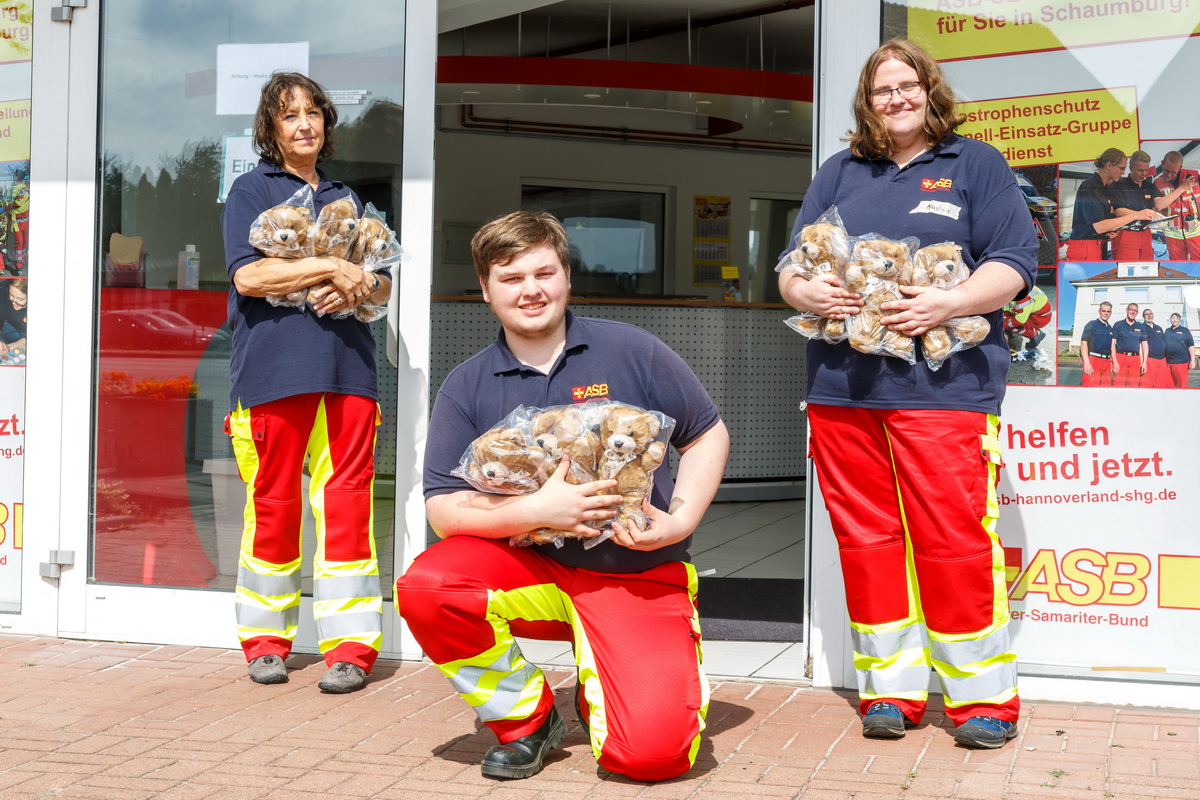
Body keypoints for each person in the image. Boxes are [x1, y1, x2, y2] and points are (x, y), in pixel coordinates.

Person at [395, 211, 730, 782]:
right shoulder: (468, 382)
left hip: (634, 572)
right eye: (510, 277)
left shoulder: (632, 350)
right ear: (485, 290)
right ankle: (526, 720)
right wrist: (536, 512)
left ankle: (614, 672)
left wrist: (679, 521)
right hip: (530, 570)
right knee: (429, 586)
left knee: (650, 758)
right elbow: (443, 508)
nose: (530, 290)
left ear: (567, 276)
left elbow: (706, 433)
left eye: (543, 272)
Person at [777, 39, 1034, 750]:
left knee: (952, 540)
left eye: (907, 85)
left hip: (945, 390)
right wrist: (808, 288)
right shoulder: (841, 170)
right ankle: (890, 689)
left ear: (929, 90)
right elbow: (790, 266)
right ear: (867, 99)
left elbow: (1014, 263)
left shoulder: (973, 163)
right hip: (843, 389)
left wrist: (945, 304)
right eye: (882, 89)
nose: (895, 99)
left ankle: (983, 700)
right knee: (866, 541)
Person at [220, 72, 393, 693]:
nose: (304, 124)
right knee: (274, 505)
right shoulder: (250, 190)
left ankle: (351, 648)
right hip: (272, 373)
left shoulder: (350, 197)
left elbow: (381, 285)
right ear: (271, 128)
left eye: (314, 112)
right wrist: (328, 264)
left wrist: (362, 283)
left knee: (347, 508)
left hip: (350, 370)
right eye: (289, 115)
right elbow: (247, 279)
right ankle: (266, 642)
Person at [1065, 149, 1159, 262]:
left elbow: (1100, 222)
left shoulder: (1104, 187)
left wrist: (1109, 230)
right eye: (1121, 168)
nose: (1123, 173)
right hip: (1085, 245)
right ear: (1108, 165)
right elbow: (1099, 226)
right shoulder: (1090, 186)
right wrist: (1136, 215)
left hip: (1097, 243)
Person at [1108, 151, 1169, 262]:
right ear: (1131, 168)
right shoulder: (1119, 185)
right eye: (1140, 170)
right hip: (1126, 232)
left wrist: (1158, 216)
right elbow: (1118, 211)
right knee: (1127, 268)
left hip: (1145, 232)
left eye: (1146, 170)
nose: (1144, 173)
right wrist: (1140, 214)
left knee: (1147, 266)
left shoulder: (1149, 186)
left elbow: (1154, 207)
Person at [1154, 152, 1200, 261]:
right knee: (1178, 266)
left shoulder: (1194, 176)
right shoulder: (1157, 182)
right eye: (1166, 171)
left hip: (1196, 232)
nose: (1169, 175)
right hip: (1173, 235)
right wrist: (1182, 188)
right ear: (1162, 163)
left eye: (1173, 172)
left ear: (1180, 167)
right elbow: (1159, 205)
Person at [1003, 284, 1052, 363]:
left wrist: (1003, 325)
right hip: (1031, 312)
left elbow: (1019, 321)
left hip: (1039, 318)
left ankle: (1035, 335)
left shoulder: (1024, 299)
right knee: (1004, 319)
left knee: (1012, 325)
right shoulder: (1014, 289)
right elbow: (1005, 308)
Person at [1079, 302, 1116, 387]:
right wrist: (1087, 362)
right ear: (1099, 311)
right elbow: (1084, 342)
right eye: (1103, 311)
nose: (1106, 313)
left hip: (1106, 362)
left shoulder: (1110, 328)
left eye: (1108, 311)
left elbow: (1112, 346)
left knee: (1104, 388)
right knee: (1090, 386)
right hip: (1093, 360)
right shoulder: (1092, 324)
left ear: (1111, 313)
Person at [1111, 302, 1147, 388]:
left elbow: (1144, 345)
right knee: (1118, 385)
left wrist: (1144, 362)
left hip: (1135, 359)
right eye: (1131, 309)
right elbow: (1112, 344)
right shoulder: (1118, 325)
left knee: (1133, 385)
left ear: (1137, 313)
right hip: (1121, 358)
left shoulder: (1141, 326)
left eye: (1135, 310)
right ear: (1127, 310)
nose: (1133, 312)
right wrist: (1114, 361)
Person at [3, 171, 28, 275]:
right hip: (17, 222)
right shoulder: (15, 189)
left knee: (22, 244)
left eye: (15, 176)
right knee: (20, 244)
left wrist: (6, 208)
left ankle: (20, 264)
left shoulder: (23, 189)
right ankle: (19, 266)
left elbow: (18, 202)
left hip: (20, 221)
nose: (14, 178)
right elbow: (8, 201)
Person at [1164, 313, 1196, 388]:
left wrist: (1193, 360)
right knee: (1169, 386)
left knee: (1181, 385)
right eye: (1172, 318)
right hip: (1168, 363)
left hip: (1181, 363)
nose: (1174, 320)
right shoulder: (1167, 331)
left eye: (1176, 318)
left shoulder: (1185, 331)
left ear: (1180, 320)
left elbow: (1191, 345)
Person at [1140, 308, 1168, 388]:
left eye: (1150, 314)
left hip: (1162, 360)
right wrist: (1143, 362)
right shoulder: (1142, 327)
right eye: (1146, 314)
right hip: (1149, 359)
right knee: (1148, 384)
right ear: (1143, 316)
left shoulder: (1158, 328)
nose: (1149, 316)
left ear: (1153, 315)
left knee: (1161, 384)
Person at [0, 278, 27, 358]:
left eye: (20, 299)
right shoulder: (4, 288)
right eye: (11, 295)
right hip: (9, 324)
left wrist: (10, 347)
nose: (14, 302)